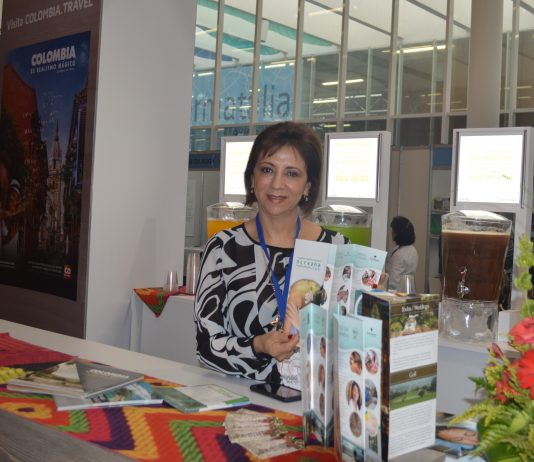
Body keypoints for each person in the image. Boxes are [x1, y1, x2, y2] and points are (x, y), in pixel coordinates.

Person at [194, 122, 348, 386]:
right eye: (267, 170)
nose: (277, 184)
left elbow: (350, 340)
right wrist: (258, 346)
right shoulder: (223, 249)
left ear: (308, 186)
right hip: (244, 397)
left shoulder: (337, 249)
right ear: (252, 179)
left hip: (315, 400)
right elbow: (205, 346)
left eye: (291, 173)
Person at [385, 216, 418, 291]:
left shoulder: (399, 254)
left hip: (397, 293)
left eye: (393, 230)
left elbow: (393, 282)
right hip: (408, 290)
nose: (391, 232)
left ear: (399, 233)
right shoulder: (412, 249)